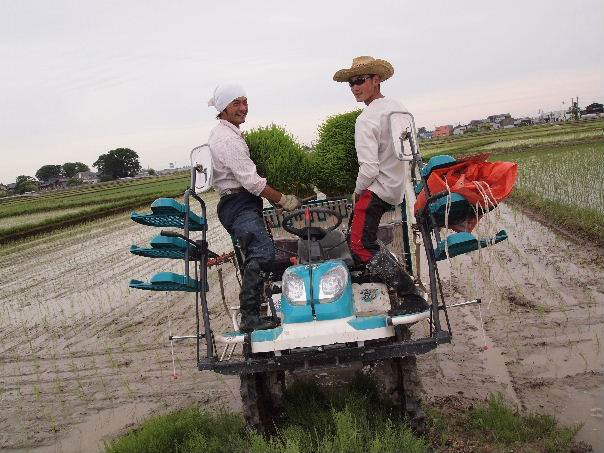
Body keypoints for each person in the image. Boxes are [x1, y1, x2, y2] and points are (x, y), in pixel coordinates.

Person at [332, 56, 428, 315]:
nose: (355, 87)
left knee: (359, 245)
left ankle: (410, 296)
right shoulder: (400, 110)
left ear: (377, 80)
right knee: (366, 241)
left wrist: (357, 190)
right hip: (395, 188)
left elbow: (369, 168)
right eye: (351, 83)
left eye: (360, 81)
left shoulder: (365, 120)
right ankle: (381, 286)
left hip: (376, 190)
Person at [207, 83, 301, 332]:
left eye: (245, 102)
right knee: (262, 253)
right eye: (236, 103)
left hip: (242, 201)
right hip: (238, 203)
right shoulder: (227, 139)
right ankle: (250, 316)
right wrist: (282, 199)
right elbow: (252, 182)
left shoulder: (229, 134)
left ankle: (259, 307)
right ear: (223, 108)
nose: (243, 108)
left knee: (259, 253)